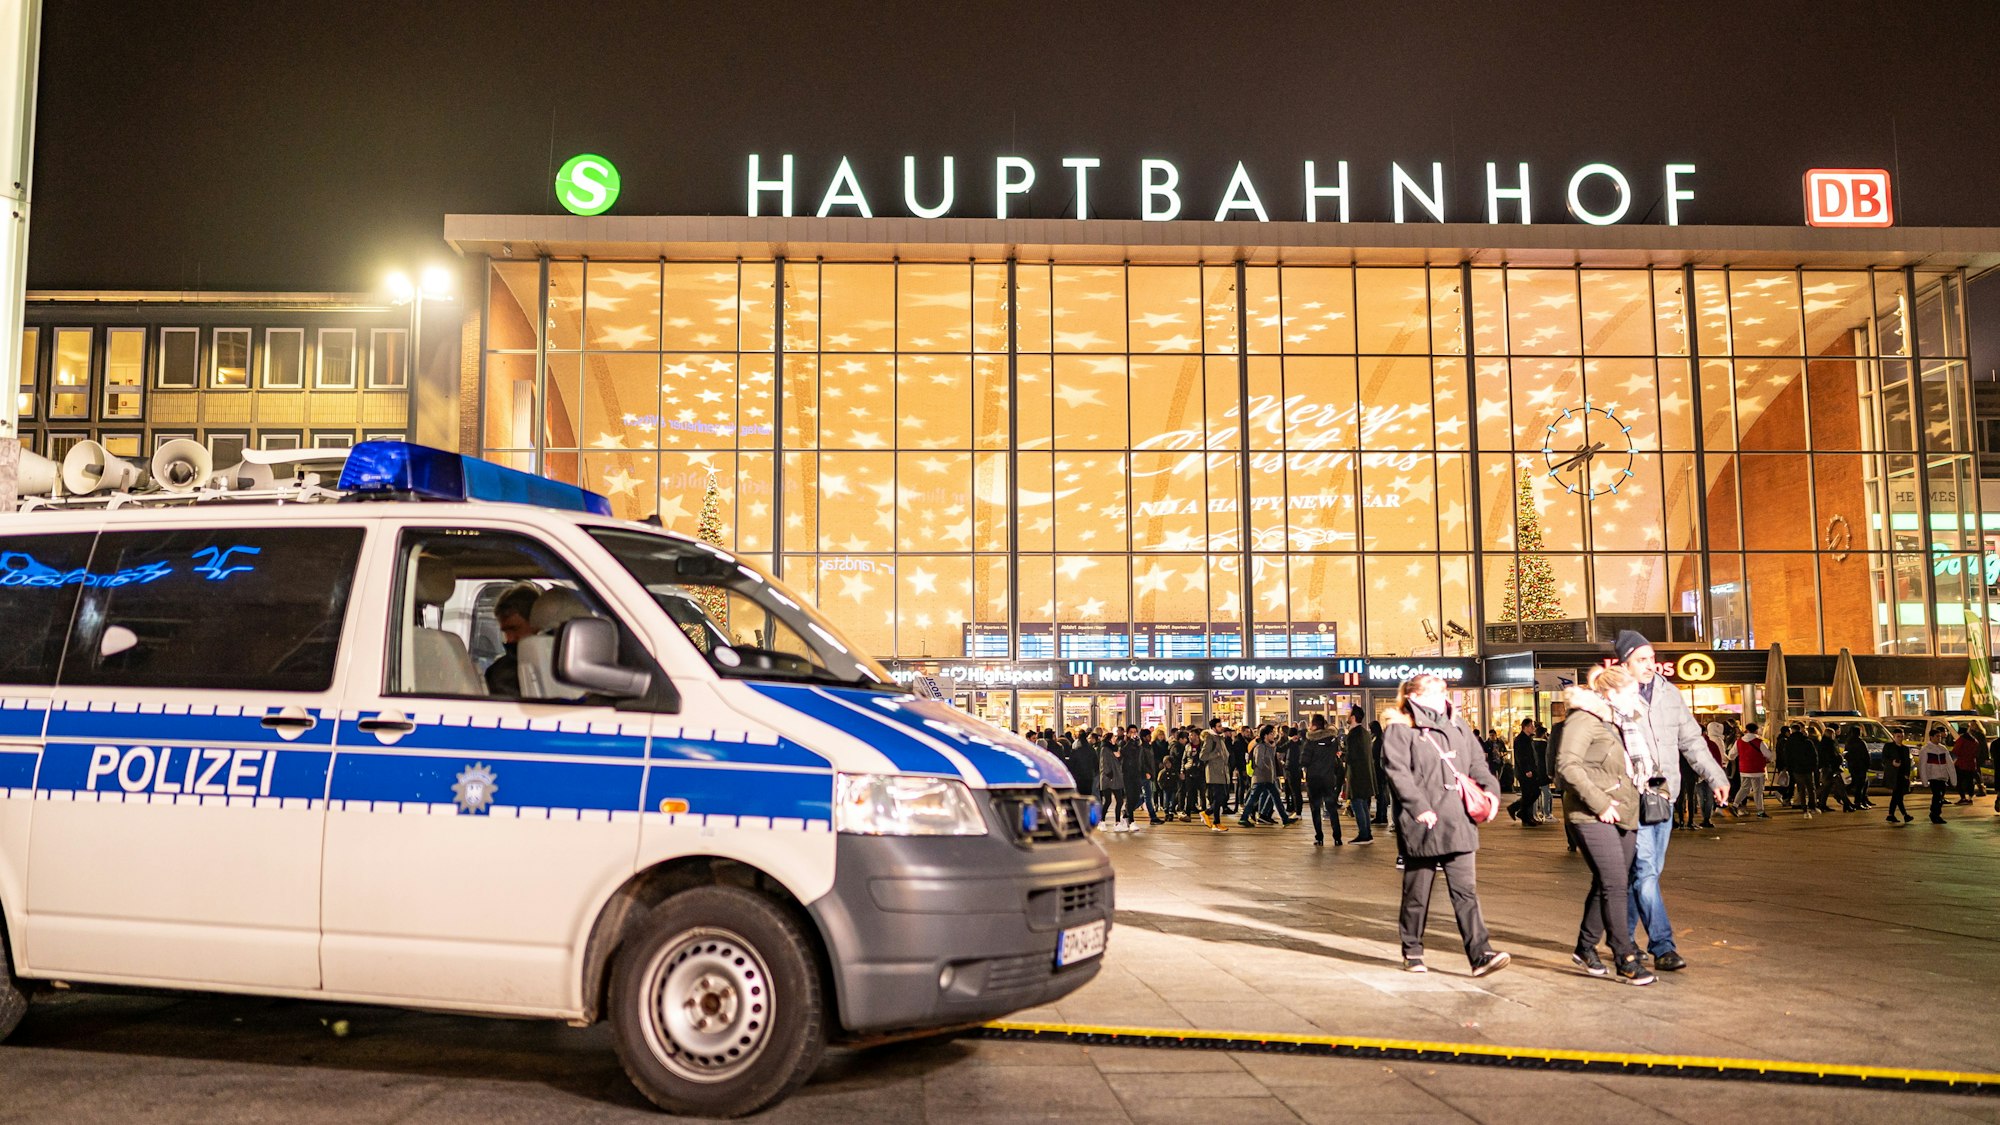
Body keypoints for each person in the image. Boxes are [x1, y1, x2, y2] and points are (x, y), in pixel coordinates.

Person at [1379, 673, 1510, 978]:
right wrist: (1418, 806)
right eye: (1437, 692)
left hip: (1459, 818)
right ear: (1416, 697)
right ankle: (1412, 950)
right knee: (1417, 892)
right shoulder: (1401, 728)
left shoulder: (1457, 725)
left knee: (1466, 891)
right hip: (1423, 822)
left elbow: (1478, 763)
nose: (1445, 696)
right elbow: (1397, 772)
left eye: (1444, 691)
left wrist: (1491, 791)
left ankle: (1481, 955)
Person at [1616, 631, 1731, 973]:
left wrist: (1716, 776)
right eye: (1641, 659)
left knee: (1646, 873)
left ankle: (1622, 939)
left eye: (1651, 658)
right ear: (1625, 664)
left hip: (1665, 796)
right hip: (1632, 797)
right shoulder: (1615, 698)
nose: (1650, 665)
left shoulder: (1670, 694)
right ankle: (1662, 945)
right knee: (1646, 871)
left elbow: (1692, 741)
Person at [1556, 666, 1657, 986]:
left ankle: (1586, 947)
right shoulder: (1584, 719)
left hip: (1625, 811)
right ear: (1611, 694)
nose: (1636, 698)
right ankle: (1624, 955)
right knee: (1614, 883)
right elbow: (1567, 766)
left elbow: (1626, 769)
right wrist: (1599, 803)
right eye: (1630, 693)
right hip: (1592, 814)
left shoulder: (1619, 723)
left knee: (1609, 881)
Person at [482, 581, 542, 697]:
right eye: (505, 632)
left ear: (536, 624)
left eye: (514, 629)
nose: (509, 639)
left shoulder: (565, 664)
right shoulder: (500, 675)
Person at [1240, 724, 1296, 827]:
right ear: (1265, 735)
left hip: (1269, 778)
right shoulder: (1260, 746)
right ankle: (1244, 818)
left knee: (1276, 797)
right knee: (1253, 798)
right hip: (1260, 777)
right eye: (1271, 733)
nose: (1273, 735)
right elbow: (1259, 762)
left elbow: (1277, 753)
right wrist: (1268, 769)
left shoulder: (1271, 746)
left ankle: (1284, 818)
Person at [1302, 714, 1344, 846]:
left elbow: (1304, 760)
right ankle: (1337, 837)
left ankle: (1319, 837)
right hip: (1328, 778)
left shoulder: (1310, 741)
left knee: (1316, 809)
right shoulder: (1332, 740)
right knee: (1331, 808)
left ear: (1314, 725)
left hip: (1314, 779)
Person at [1344, 704, 1377, 844]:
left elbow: (1351, 756)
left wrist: (1342, 756)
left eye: (1349, 714)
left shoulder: (1353, 734)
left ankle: (1363, 834)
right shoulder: (1365, 733)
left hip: (1357, 774)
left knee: (1357, 803)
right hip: (1366, 774)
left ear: (1353, 717)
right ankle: (1367, 833)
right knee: (1363, 803)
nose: (1347, 716)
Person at [1920, 724, 1958, 825]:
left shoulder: (1943, 749)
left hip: (1943, 777)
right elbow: (1922, 765)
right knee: (1937, 795)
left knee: (1940, 797)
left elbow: (1949, 764)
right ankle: (1935, 814)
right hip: (1933, 777)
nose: (1939, 738)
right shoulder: (1926, 749)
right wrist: (1924, 780)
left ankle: (1936, 813)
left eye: (1940, 736)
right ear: (1931, 737)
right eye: (1937, 736)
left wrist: (1953, 779)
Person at [1508, 718, 1544, 825]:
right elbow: (1521, 757)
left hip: (1530, 770)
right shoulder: (1520, 740)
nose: (1533, 728)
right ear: (1526, 727)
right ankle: (1522, 813)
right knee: (1530, 793)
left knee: (1531, 793)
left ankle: (1523, 813)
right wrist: (1527, 769)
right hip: (1525, 772)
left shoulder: (1528, 738)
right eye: (1531, 726)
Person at [1732, 722, 1770, 817]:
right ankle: (1760, 811)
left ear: (1747, 730)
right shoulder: (1759, 742)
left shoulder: (1739, 741)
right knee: (1758, 791)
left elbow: (1731, 755)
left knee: (1744, 788)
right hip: (1757, 770)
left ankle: (1735, 805)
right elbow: (1768, 755)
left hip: (1744, 769)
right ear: (1756, 730)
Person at [1096, 731, 1128, 832]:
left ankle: (1116, 822)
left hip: (1115, 778)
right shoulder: (1105, 749)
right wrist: (1109, 774)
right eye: (1113, 737)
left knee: (1118, 801)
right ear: (1109, 739)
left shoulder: (1115, 749)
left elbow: (1119, 761)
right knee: (1109, 801)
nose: (1115, 738)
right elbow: (1104, 763)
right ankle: (1103, 821)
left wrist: (1119, 756)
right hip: (1109, 778)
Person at [1883, 735, 1913, 824]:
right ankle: (1904, 815)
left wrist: (1907, 774)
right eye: (1898, 736)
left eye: (1902, 736)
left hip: (1902, 776)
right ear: (1894, 737)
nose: (1900, 738)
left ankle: (1891, 815)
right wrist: (1892, 762)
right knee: (1898, 796)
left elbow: (1907, 762)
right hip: (1894, 775)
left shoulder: (1905, 749)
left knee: (1897, 796)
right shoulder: (1889, 747)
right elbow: (1884, 759)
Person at [1842, 724, 1873, 810]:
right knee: (1860, 785)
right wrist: (1868, 764)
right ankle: (1858, 802)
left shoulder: (1849, 742)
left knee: (1858, 783)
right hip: (1861, 766)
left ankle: (1861, 801)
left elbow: (1846, 754)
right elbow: (1866, 755)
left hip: (1853, 766)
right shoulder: (1860, 742)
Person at [1951, 725, 1980, 805]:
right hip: (1971, 764)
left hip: (1961, 763)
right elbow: (1977, 752)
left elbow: (1956, 751)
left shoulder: (1961, 740)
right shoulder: (1975, 740)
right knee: (1970, 781)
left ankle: (1963, 798)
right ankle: (1970, 798)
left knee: (1959, 782)